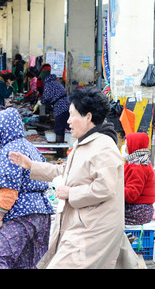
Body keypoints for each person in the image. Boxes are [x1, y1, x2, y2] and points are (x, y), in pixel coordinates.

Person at [9, 86, 140, 269]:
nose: (68, 121)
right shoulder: (86, 143)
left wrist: (71, 192)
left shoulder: (104, 147)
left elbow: (105, 188)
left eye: (72, 115)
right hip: (81, 225)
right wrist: (31, 165)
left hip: (93, 230)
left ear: (88, 117)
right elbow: (65, 172)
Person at [0, 107, 54, 269]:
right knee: (29, 262)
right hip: (42, 214)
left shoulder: (9, 151)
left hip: (21, 215)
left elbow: (9, 191)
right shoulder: (30, 147)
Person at [122, 132, 155, 225]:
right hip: (142, 210)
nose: (124, 148)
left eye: (126, 144)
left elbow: (131, 194)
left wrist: (114, 187)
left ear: (134, 146)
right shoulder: (140, 162)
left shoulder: (137, 166)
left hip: (138, 211)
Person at [40, 74, 70, 146]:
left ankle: (59, 147)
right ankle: (64, 146)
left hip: (60, 106)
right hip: (66, 104)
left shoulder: (49, 84)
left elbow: (46, 97)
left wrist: (42, 101)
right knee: (65, 125)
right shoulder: (56, 83)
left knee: (59, 127)